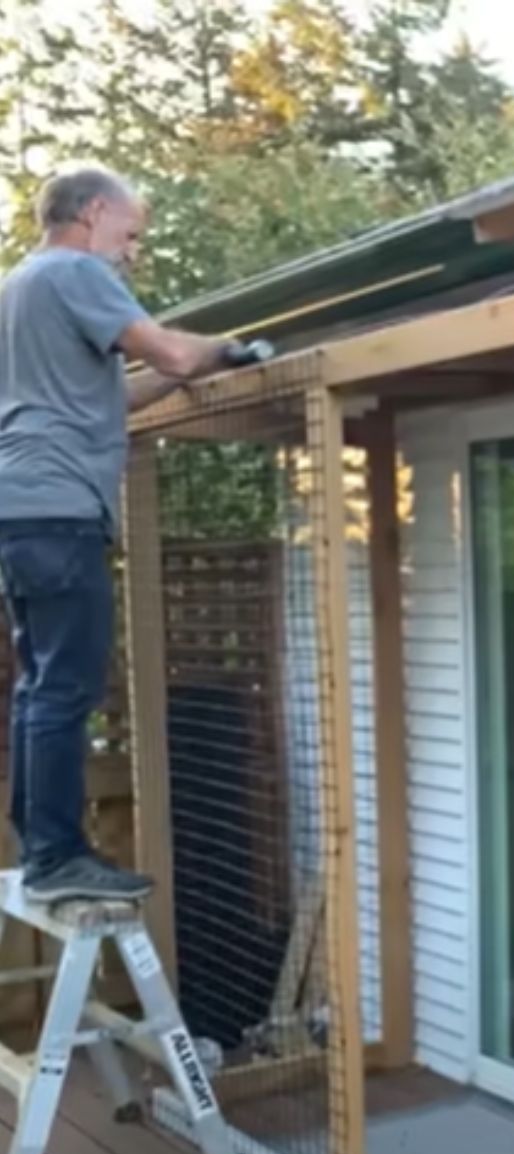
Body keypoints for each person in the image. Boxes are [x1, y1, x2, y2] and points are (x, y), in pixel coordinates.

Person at [0, 165, 269, 903]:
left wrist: (180, 378)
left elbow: (117, 392)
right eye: (131, 232)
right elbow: (175, 351)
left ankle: (40, 840)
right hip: (61, 508)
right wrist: (225, 348)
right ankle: (58, 856)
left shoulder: (18, 290)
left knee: (41, 685)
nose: (133, 251)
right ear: (91, 214)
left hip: (20, 513)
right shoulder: (73, 271)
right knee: (68, 686)